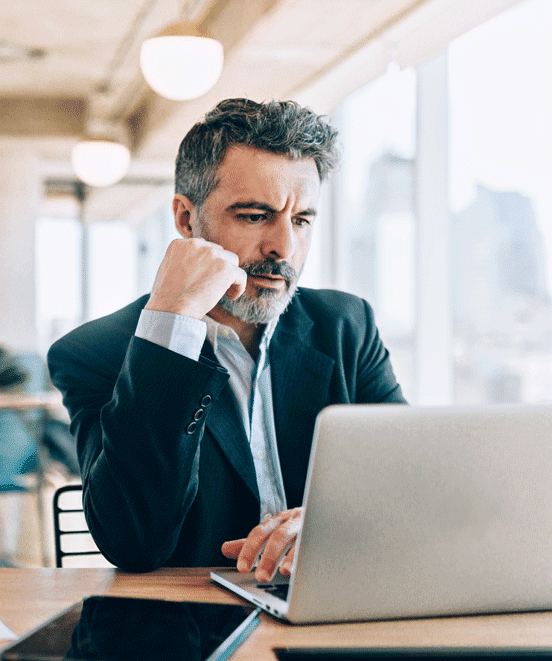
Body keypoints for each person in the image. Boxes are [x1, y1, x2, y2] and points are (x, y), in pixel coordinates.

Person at [48, 98, 406, 581]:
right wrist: (170, 324)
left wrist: (324, 526)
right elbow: (133, 541)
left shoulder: (346, 326)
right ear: (185, 219)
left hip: (333, 606)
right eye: (256, 216)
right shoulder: (95, 354)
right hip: (193, 628)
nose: (285, 248)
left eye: (301, 220)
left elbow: (408, 482)